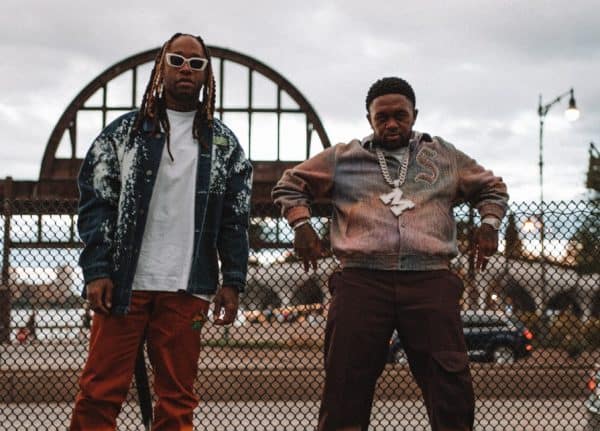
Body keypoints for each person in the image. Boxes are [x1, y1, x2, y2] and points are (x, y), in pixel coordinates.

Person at [272, 77, 508, 431]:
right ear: (369, 119)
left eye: (401, 115)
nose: (392, 124)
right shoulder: (344, 158)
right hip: (362, 279)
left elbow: (492, 187)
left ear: (415, 115)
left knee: (450, 384)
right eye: (382, 117)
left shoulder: (444, 156)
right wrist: (301, 225)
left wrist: (489, 224)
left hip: (429, 278)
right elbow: (290, 184)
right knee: (345, 384)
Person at [70, 33, 252, 430]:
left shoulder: (224, 144)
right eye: (177, 60)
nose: (186, 68)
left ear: (206, 76)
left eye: (196, 63)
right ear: (161, 67)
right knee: (99, 392)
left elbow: (235, 219)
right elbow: (96, 201)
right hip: (123, 284)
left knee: (177, 399)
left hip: (188, 288)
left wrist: (233, 281)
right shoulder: (124, 133)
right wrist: (97, 270)